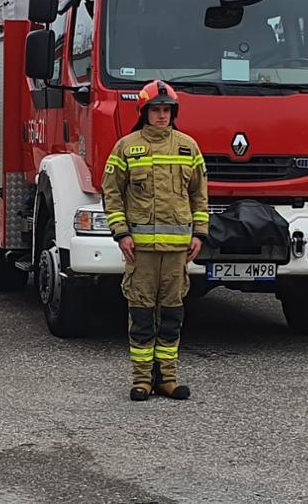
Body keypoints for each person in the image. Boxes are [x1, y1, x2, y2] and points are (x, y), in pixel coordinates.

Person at [102, 80, 208, 401]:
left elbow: (199, 196)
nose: (161, 115)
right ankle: (142, 380)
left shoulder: (188, 147)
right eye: (155, 110)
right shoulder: (126, 147)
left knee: (173, 314)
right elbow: (112, 194)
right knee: (143, 315)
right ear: (144, 112)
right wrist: (121, 233)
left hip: (177, 253)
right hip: (141, 253)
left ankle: (168, 378)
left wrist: (199, 234)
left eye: (166, 110)